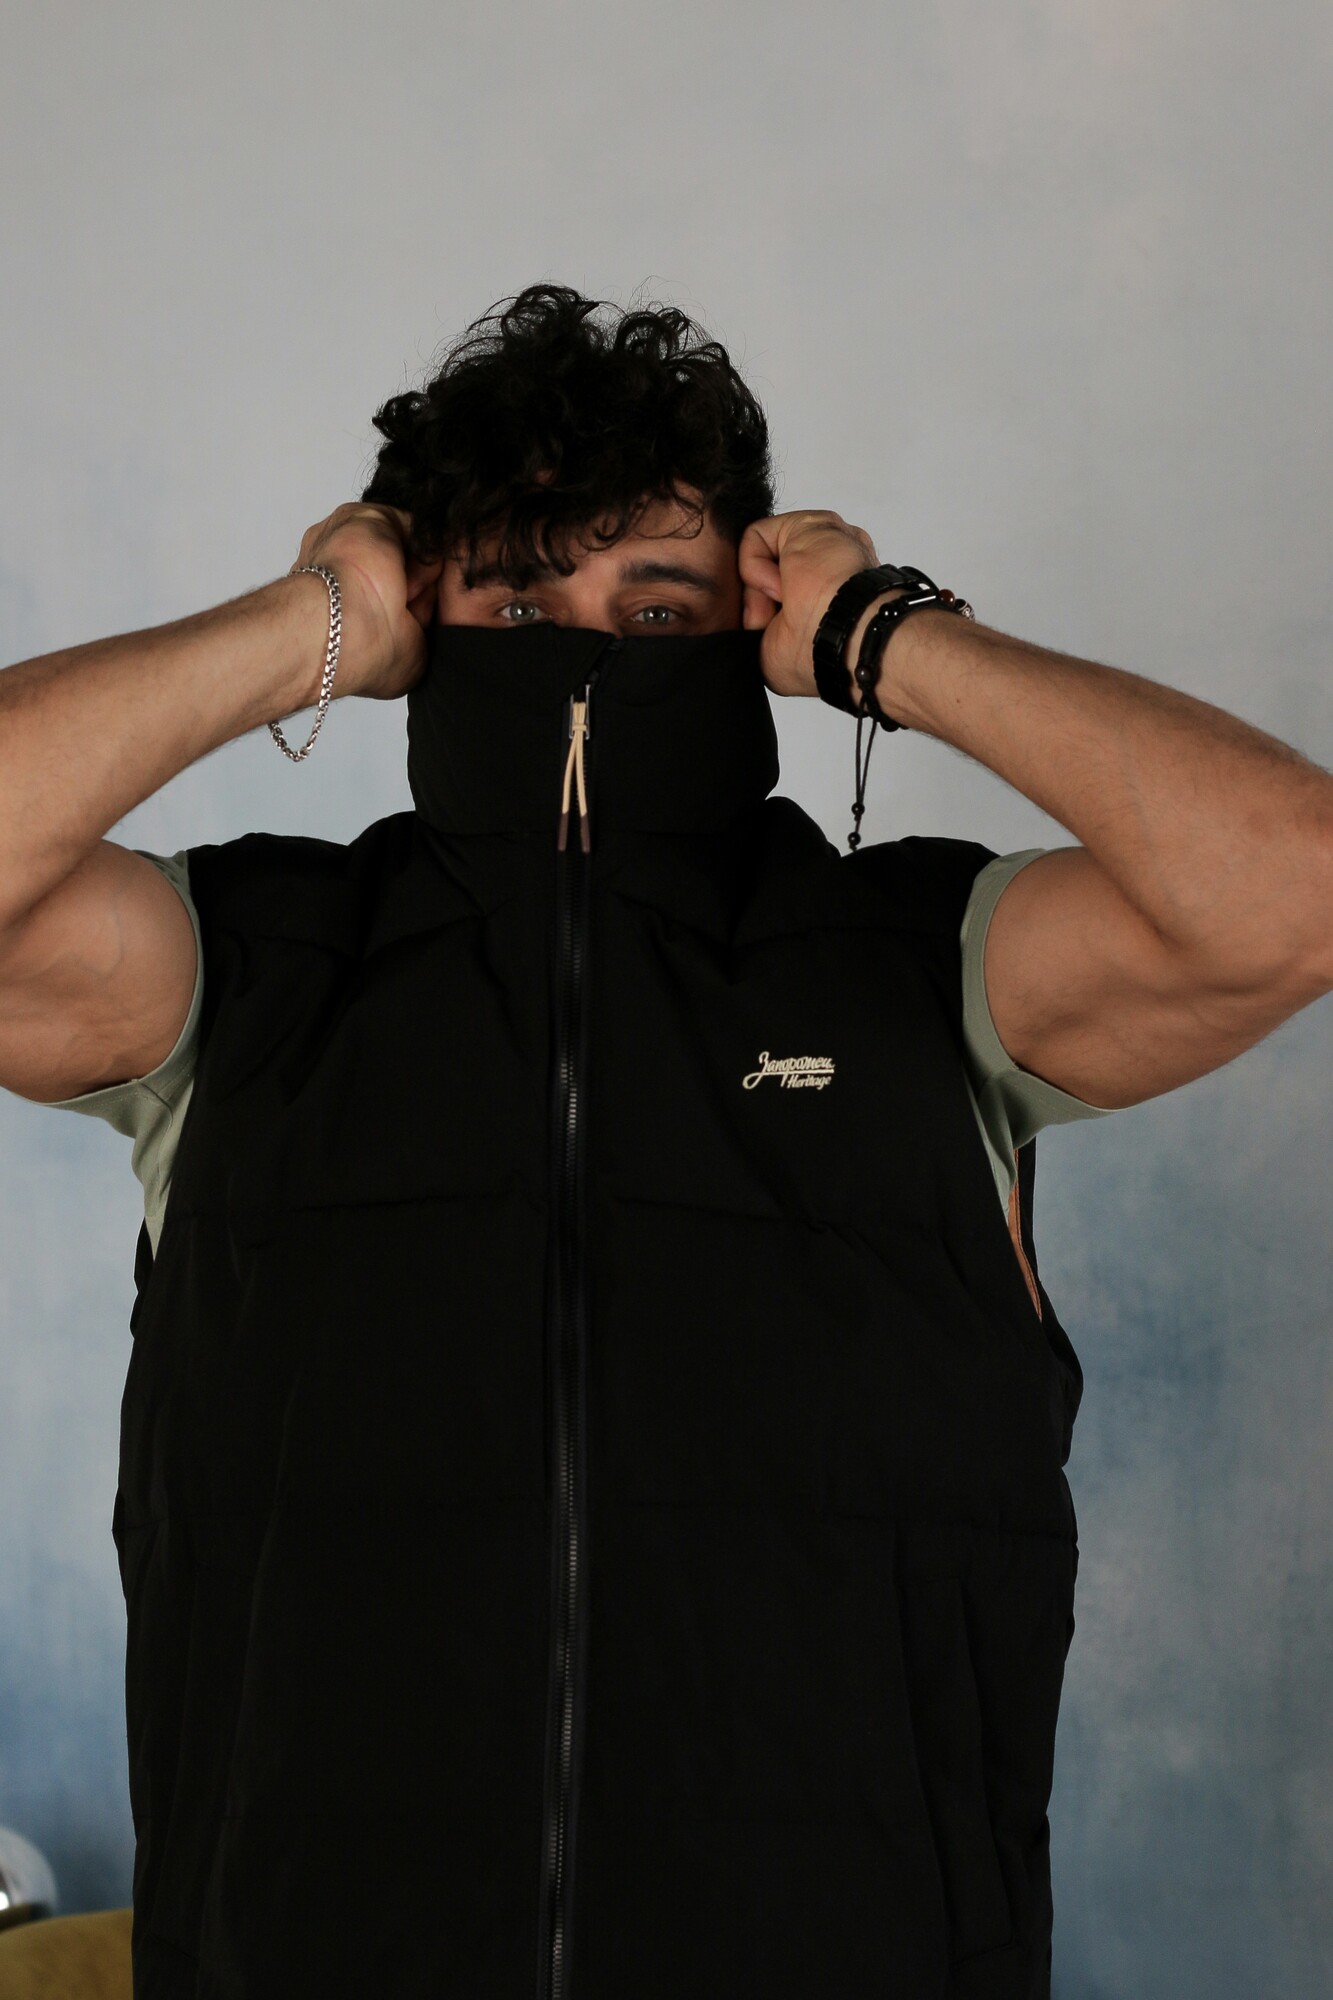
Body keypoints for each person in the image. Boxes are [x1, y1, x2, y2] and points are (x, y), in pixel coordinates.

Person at [0, 284, 1328, 2000]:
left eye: (654, 603)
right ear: (421, 614)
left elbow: (1293, 892)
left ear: (746, 619)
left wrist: (885, 636)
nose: (584, 645)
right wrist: (310, 619)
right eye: (512, 595)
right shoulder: (248, 970)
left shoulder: (925, 966)